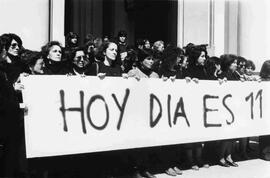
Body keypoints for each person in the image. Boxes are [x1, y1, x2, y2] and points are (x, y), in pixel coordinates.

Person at [184, 44, 211, 170]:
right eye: (202, 56)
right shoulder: (188, 69)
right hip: (190, 106)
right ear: (196, 57)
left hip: (202, 106)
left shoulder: (204, 69)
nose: (204, 58)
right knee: (190, 135)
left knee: (199, 135)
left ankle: (199, 158)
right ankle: (190, 160)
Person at [217, 54, 239, 167]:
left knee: (233, 135)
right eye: (233, 63)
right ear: (228, 64)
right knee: (226, 135)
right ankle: (221, 157)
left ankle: (229, 156)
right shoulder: (222, 75)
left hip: (234, 107)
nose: (236, 64)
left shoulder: (235, 75)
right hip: (224, 108)